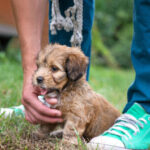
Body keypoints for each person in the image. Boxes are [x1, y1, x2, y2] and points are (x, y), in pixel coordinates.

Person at [11, 0, 150, 149]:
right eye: (41, 66)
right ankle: (42, 107)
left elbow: (77, 117)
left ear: (73, 70)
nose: (40, 74)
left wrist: (69, 139)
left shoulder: (77, 96)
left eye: (54, 69)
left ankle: (145, 108)